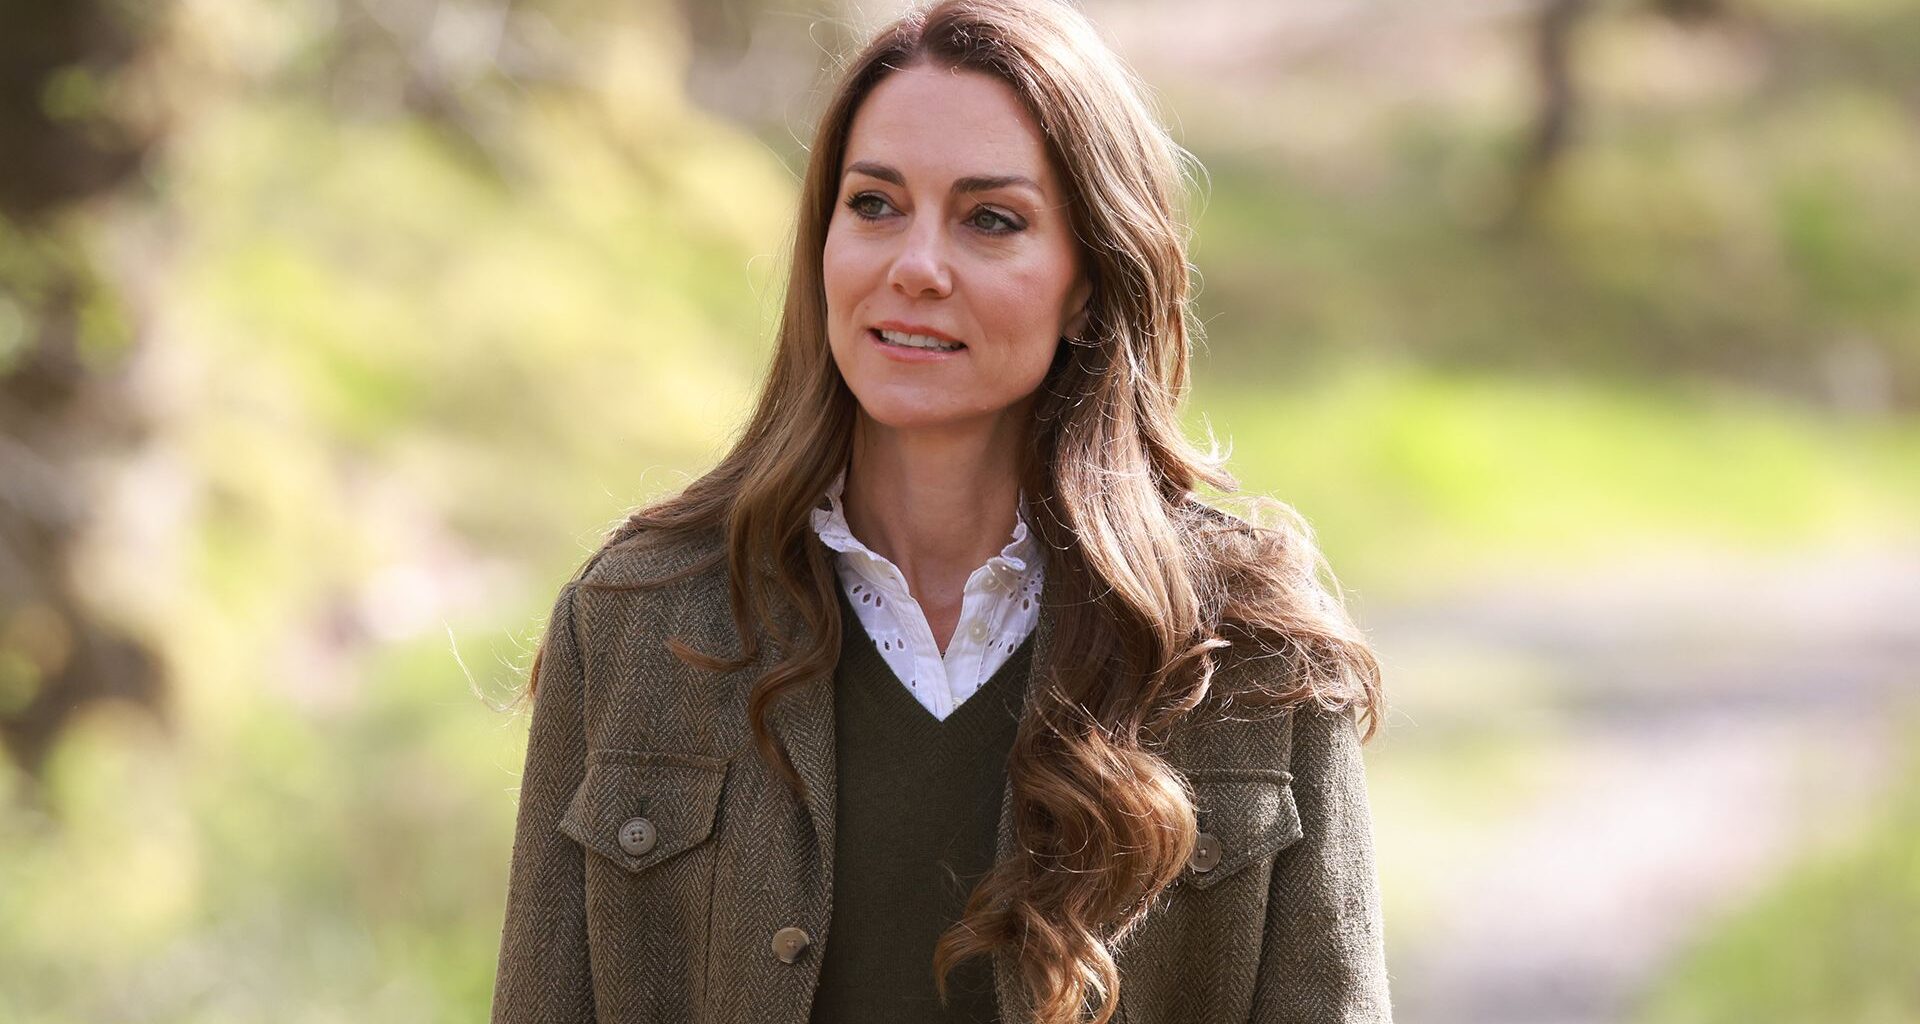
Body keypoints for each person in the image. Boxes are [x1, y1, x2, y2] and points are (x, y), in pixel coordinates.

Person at [488, 1, 1391, 1021]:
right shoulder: (635, 623)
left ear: (1089, 284)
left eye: (990, 219)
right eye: (874, 204)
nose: (915, 265)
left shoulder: (1251, 651)